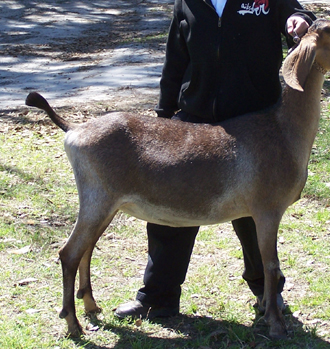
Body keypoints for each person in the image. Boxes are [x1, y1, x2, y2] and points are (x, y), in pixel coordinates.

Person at [115, 0, 315, 320]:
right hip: (195, 121)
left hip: (254, 122)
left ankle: (268, 293)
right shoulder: (188, 3)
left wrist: (299, 20)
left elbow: (297, 14)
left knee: (255, 216)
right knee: (171, 203)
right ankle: (158, 296)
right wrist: (165, 118)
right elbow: (175, 61)